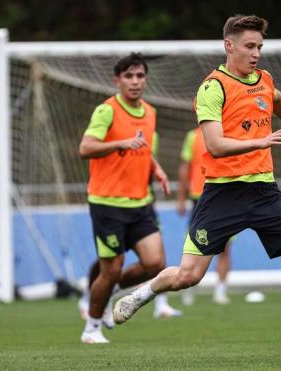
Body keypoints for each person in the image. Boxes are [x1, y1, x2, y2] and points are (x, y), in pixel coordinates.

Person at [113, 14, 281, 358]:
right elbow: (214, 144)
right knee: (187, 276)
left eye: (259, 47)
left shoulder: (263, 79)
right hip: (223, 194)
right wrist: (261, 141)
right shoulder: (213, 87)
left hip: (265, 193)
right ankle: (143, 293)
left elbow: (278, 99)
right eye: (249, 46)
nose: (256, 53)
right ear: (229, 45)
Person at [78, 53, 175, 344]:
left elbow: (144, 149)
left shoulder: (150, 112)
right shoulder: (106, 111)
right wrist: (121, 142)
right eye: (129, 77)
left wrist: (156, 168)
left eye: (140, 76)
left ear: (145, 79)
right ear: (117, 81)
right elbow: (86, 147)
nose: (135, 82)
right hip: (107, 204)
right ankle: (91, 329)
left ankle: (107, 291)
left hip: (140, 202)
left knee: (156, 263)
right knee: (112, 270)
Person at [177, 127, 232, 305]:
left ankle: (221, 290)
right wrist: (181, 197)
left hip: (224, 197)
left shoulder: (229, 131)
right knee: (193, 246)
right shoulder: (192, 136)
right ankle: (188, 287)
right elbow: (185, 166)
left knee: (225, 247)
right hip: (198, 198)